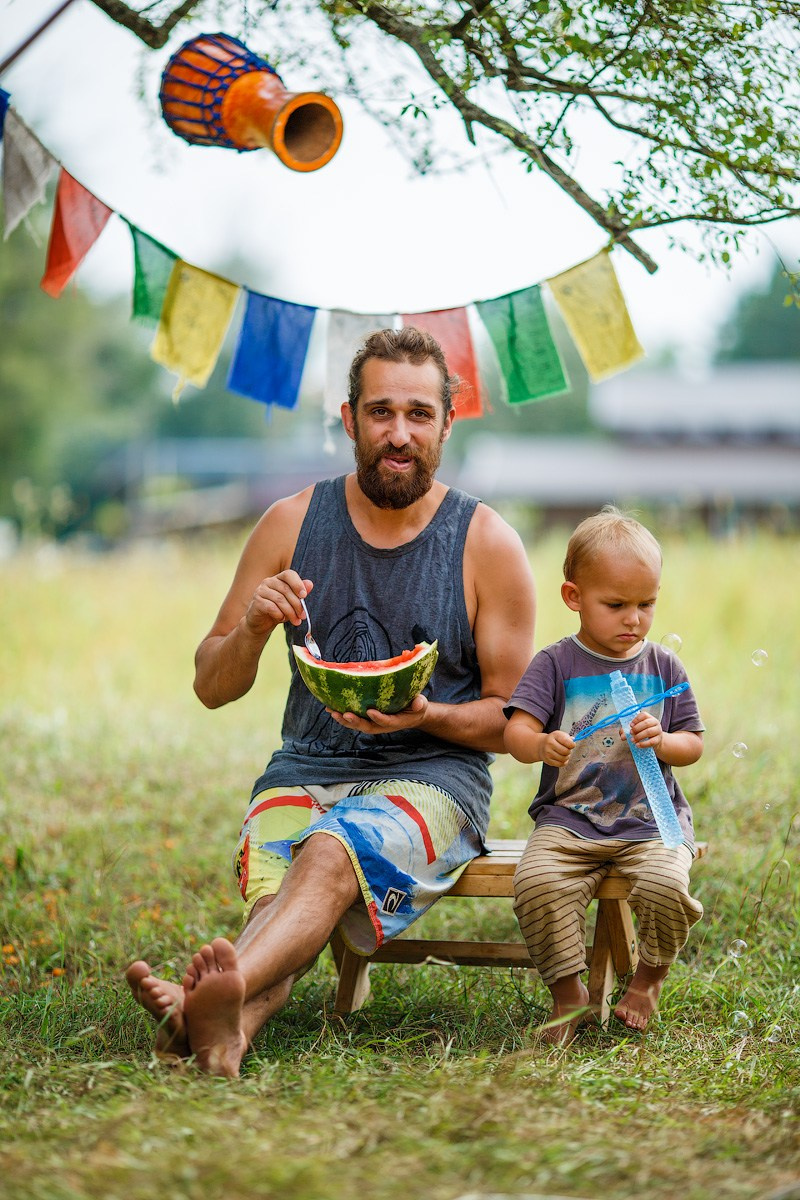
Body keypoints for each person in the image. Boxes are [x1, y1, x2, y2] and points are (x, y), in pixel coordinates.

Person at [127, 326, 536, 1076]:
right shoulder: (289, 523)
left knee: (329, 849)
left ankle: (211, 998)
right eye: (380, 413)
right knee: (278, 902)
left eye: (419, 414)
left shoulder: (487, 544)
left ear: (449, 420)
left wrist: (430, 716)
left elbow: (514, 723)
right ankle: (223, 1033)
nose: (399, 434)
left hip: (434, 777)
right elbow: (211, 686)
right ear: (349, 421)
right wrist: (253, 624)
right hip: (301, 767)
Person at [504, 506, 704, 1044]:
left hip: (650, 820)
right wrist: (540, 743)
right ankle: (569, 995)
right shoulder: (555, 664)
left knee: (666, 884)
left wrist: (664, 741)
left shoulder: (663, 668)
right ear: (573, 597)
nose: (633, 619)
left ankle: (647, 980)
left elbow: (693, 744)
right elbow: (515, 734)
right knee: (536, 883)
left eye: (646, 604)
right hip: (570, 819)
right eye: (615, 605)